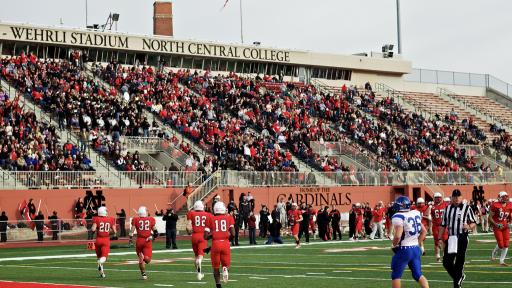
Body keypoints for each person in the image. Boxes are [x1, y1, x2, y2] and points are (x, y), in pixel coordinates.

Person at [439, 189, 477, 288]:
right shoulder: (447, 209)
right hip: (451, 238)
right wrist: (439, 239)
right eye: (454, 197)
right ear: (451, 198)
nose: (456, 199)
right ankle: (459, 276)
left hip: (462, 237)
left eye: (458, 197)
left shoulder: (467, 208)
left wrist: (468, 227)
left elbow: (473, 222)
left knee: (459, 262)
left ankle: (457, 284)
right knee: (446, 262)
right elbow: (443, 225)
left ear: (461, 197)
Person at [390, 196, 429, 288]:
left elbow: (398, 235)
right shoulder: (415, 213)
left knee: (396, 275)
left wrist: (394, 244)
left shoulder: (398, 216)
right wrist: (418, 242)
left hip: (404, 249)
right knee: (418, 275)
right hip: (415, 248)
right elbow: (424, 232)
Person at [204, 201, 235, 288]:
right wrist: (227, 239)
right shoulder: (229, 218)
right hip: (225, 243)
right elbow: (233, 234)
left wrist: (213, 234)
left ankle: (218, 285)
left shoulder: (210, 218)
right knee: (226, 265)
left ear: (215, 210)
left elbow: (205, 236)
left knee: (216, 267)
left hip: (215, 244)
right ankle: (225, 269)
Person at [130, 206, 158, 280]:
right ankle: (144, 257)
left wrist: (130, 238)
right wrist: (153, 237)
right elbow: (156, 232)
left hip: (139, 240)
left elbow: (131, 231)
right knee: (147, 260)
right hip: (147, 241)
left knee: (140, 259)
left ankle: (143, 274)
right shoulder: (151, 219)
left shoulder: (135, 219)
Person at [187, 201, 210, 280]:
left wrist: (189, 231)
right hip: (203, 235)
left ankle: (199, 273)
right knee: (200, 256)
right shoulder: (207, 214)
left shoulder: (191, 213)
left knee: (196, 256)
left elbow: (188, 226)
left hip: (194, 235)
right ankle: (199, 262)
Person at [92, 206, 116, 278]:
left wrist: (92, 229)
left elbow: (93, 229)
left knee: (99, 257)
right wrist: (108, 233)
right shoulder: (111, 219)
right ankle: (100, 263)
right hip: (106, 240)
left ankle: (102, 274)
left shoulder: (96, 219)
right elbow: (115, 231)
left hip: (98, 239)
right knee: (104, 257)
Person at [489, 191, 512, 266]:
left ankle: (502, 261)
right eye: (504, 197)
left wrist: (510, 223)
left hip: (505, 226)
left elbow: (509, 216)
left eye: (506, 197)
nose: (505, 198)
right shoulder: (495, 205)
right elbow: (490, 217)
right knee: (501, 245)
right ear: (500, 197)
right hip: (497, 226)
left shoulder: (510, 205)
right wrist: (496, 224)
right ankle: (494, 252)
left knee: (506, 244)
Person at [430, 192, 448, 262]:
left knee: (445, 241)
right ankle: (437, 256)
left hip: (444, 226)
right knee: (437, 242)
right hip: (436, 226)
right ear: (434, 198)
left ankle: (445, 255)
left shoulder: (445, 205)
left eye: (439, 197)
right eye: (436, 197)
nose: (438, 199)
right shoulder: (432, 206)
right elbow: (430, 216)